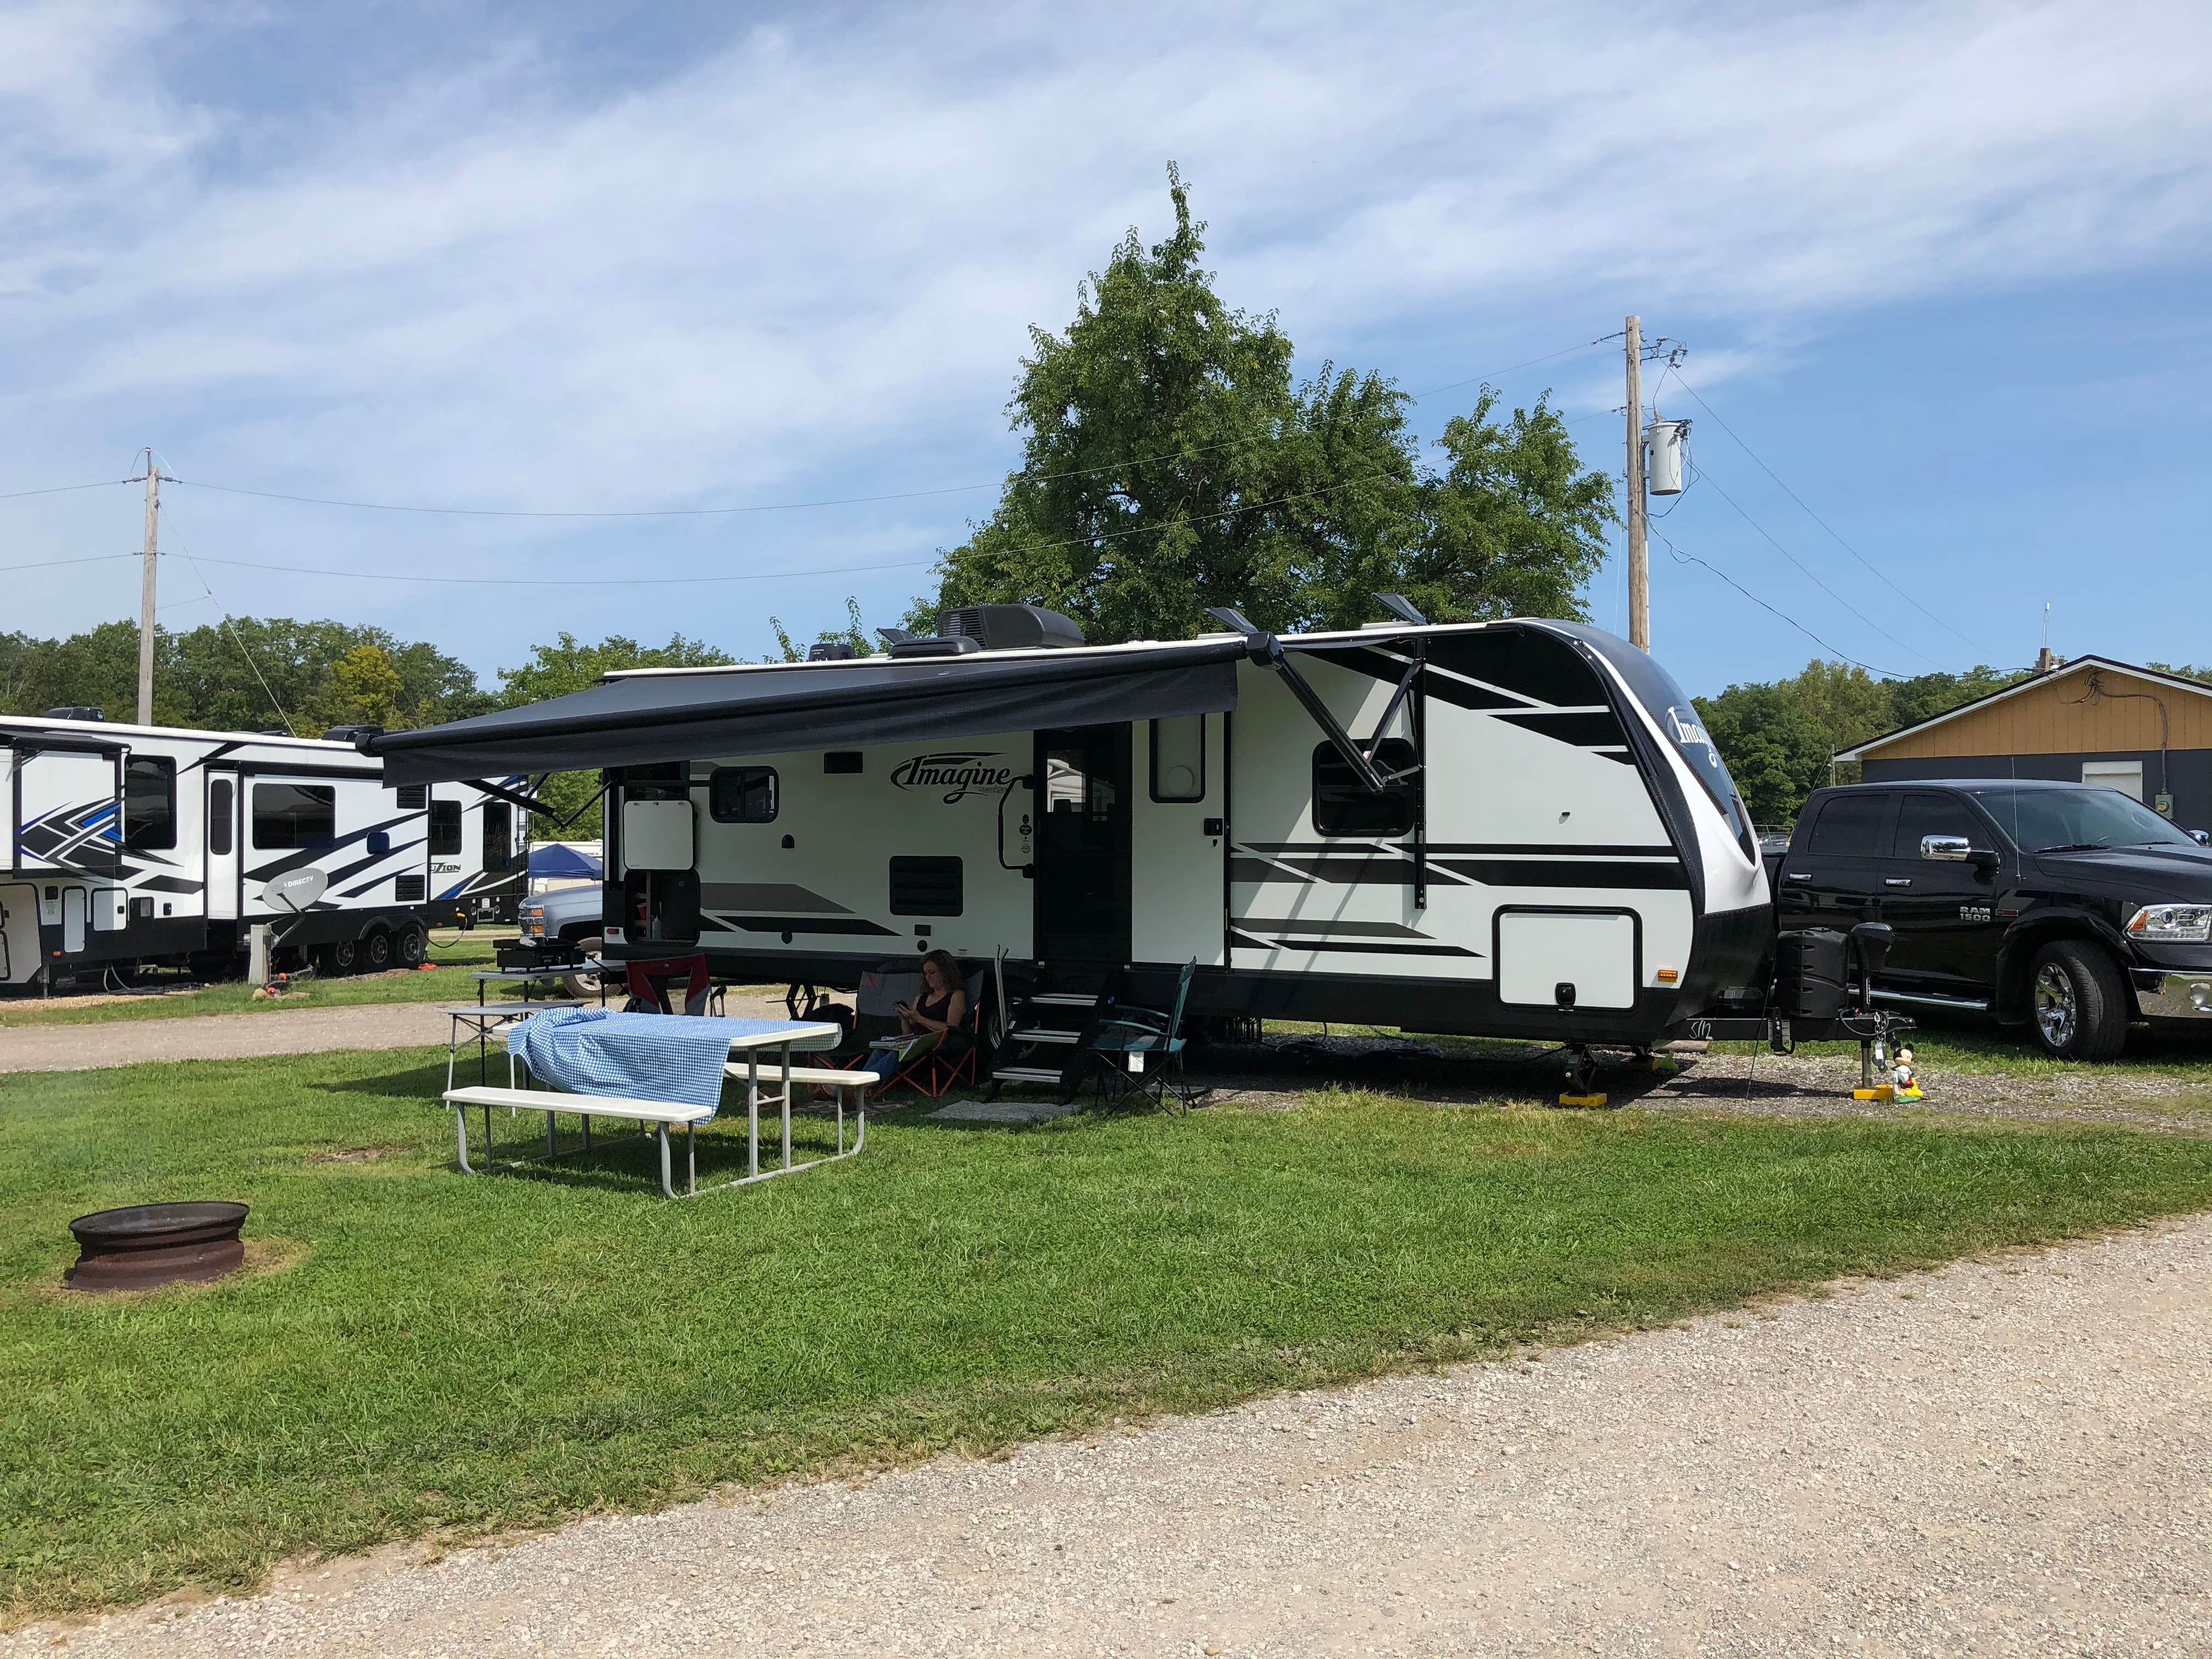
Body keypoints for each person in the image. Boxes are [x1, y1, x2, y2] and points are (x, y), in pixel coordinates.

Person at [859, 950, 968, 1085]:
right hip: (915, 1040)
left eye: (932, 972)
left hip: (939, 1042)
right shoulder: (922, 997)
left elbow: (951, 1028)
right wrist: (904, 1018)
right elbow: (908, 1032)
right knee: (881, 1049)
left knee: (897, 1054)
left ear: (945, 972)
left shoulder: (956, 995)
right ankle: (859, 1084)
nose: (928, 977)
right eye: (925, 973)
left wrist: (919, 1018)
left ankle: (859, 1086)